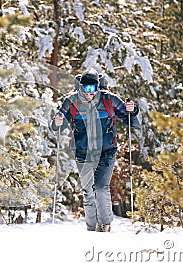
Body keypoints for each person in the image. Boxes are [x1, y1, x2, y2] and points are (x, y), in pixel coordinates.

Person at [51, 69, 141, 232]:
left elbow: (129, 118)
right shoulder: (71, 102)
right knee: (88, 192)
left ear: (98, 88)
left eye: (92, 89)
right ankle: (91, 228)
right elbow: (58, 125)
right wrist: (57, 122)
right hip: (83, 153)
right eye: (85, 88)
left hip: (106, 152)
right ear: (80, 88)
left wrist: (132, 109)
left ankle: (105, 224)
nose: (88, 93)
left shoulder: (109, 100)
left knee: (100, 188)